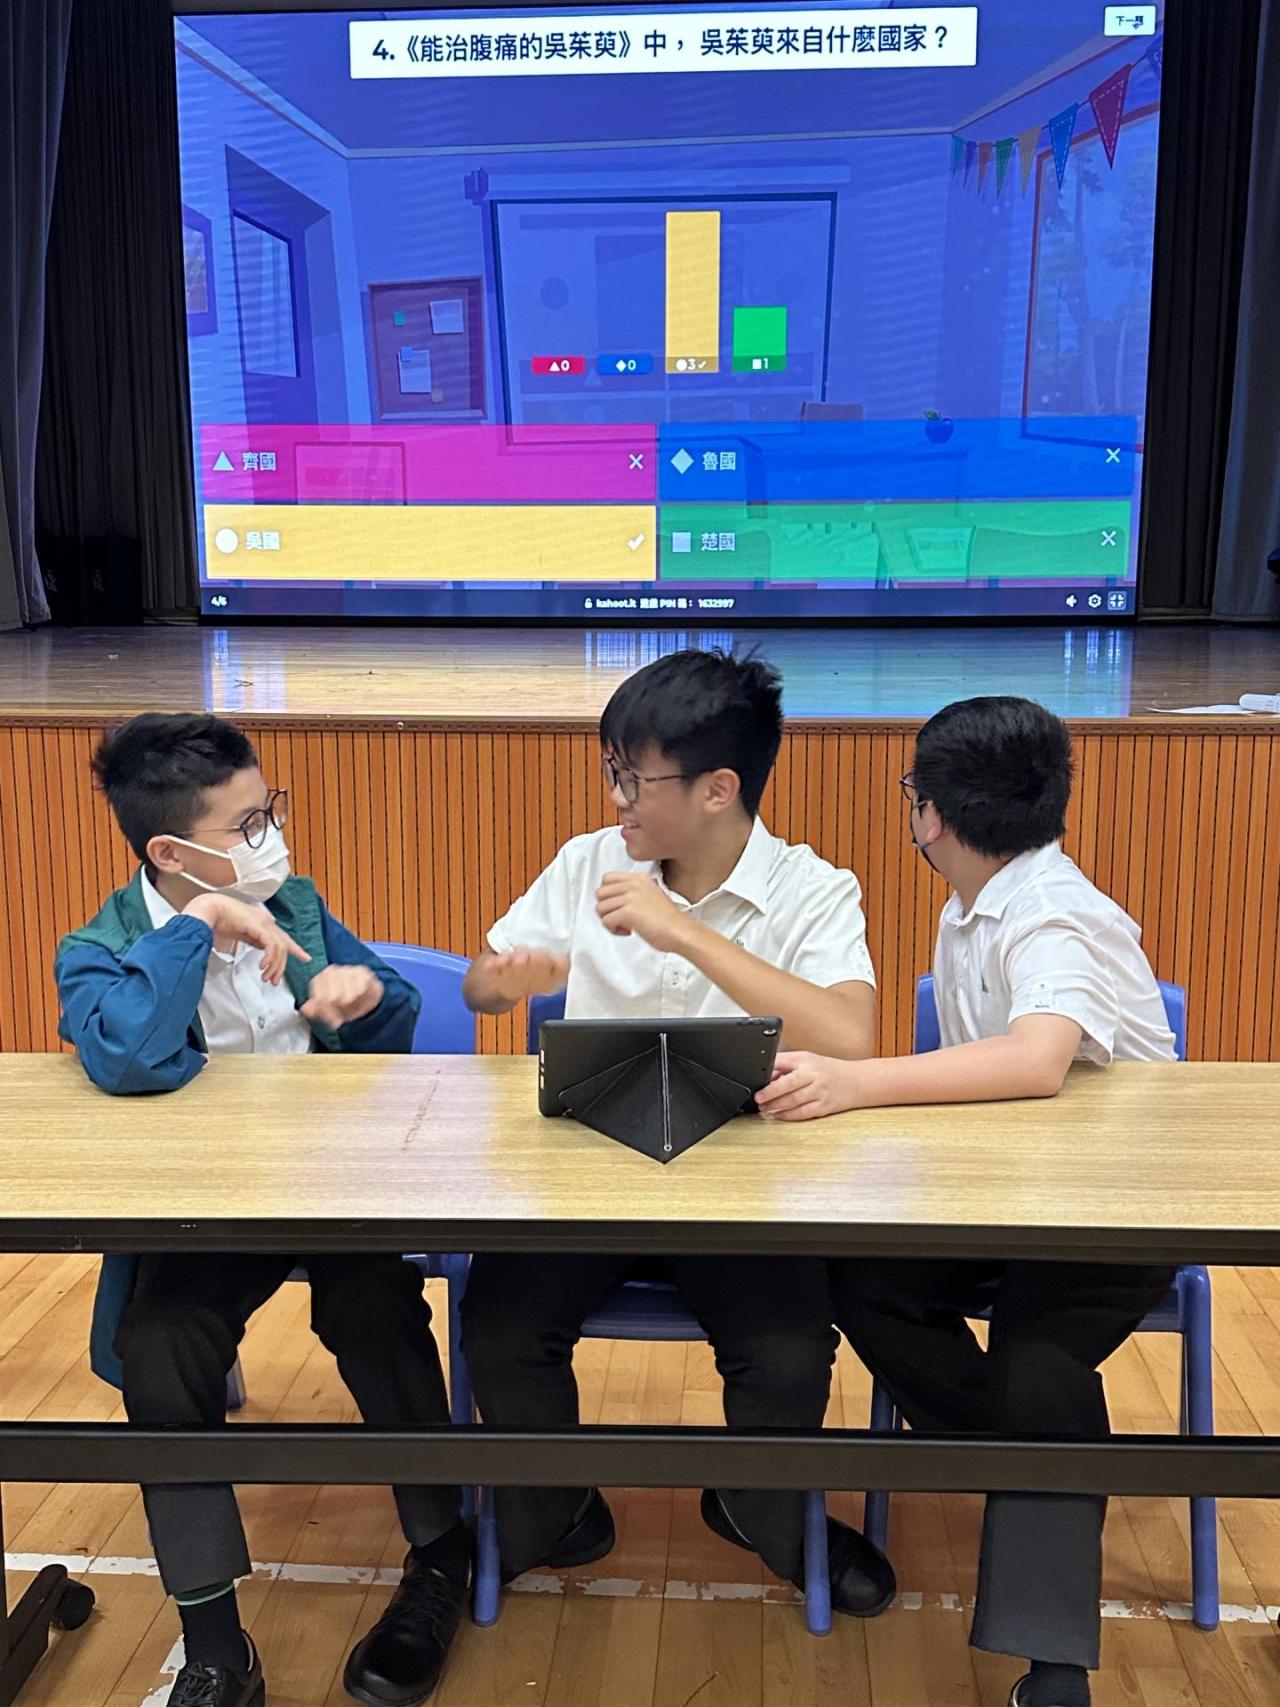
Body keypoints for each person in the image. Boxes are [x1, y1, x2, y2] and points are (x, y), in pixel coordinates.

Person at [757, 695, 1177, 1707]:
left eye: (913, 791)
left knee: (1039, 1363)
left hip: (1114, 1208)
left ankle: (1054, 1662)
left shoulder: (1052, 910)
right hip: (1011, 1196)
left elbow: (1035, 1060)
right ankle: (1036, 1472)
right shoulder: (971, 904)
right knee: (859, 1274)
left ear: (932, 814)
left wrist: (857, 1083)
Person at [460, 647, 895, 1618]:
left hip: (744, 1179)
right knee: (499, 1327)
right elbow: (481, 983)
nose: (615, 797)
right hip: (588, 1168)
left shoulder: (812, 888)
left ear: (717, 789)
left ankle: (758, 1510)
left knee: (787, 1353)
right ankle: (554, 1511)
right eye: (611, 771)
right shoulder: (587, 862)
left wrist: (680, 929)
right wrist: (502, 981)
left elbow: (849, 1035)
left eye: (634, 777)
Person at [55, 714, 468, 1707]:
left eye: (266, 810)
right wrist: (200, 927)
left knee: (374, 1311)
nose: (268, 836)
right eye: (245, 824)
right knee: (161, 1341)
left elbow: (394, 1018)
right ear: (169, 853)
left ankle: (438, 1555)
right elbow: (129, 1055)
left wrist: (362, 1001)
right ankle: (214, 1644)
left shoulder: (297, 905)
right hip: (205, 1210)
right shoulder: (101, 947)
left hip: (329, 1187)